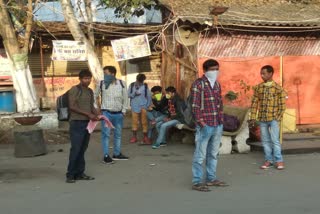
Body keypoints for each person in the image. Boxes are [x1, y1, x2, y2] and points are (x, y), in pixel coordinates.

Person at [191, 59, 228, 192]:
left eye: (217, 69)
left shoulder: (217, 85)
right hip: (205, 125)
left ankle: (211, 179)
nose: (215, 72)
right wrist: (201, 122)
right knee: (200, 155)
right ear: (205, 70)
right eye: (212, 69)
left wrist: (221, 121)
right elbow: (195, 106)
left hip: (217, 124)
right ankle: (197, 182)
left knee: (213, 154)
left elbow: (220, 104)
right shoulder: (198, 84)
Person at [248, 65, 286, 170]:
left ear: (270, 74)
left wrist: (278, 117)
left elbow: (282, 105)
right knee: (265, 141)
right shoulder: (259, 88)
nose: (262, 75)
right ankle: (268, 160)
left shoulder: (278, 88)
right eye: (261, 73)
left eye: (264, 73)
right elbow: (254, 103)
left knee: (275, 140)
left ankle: (279, 161)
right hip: (262, 119)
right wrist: (252, 116)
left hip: (273, 119)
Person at [66, 69, 99, 183]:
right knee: (76, 149)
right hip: (76, 122)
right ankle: (70, 175)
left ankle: (80, 173)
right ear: (80, 79)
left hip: (87, 123)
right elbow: (72, 106)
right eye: (85, 78)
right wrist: (88, 114)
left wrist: (97, 114)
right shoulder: (75, 89)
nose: (88, 80)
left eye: (89, 78)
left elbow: (91, 106)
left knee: (83, 149)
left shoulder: (90, 91)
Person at [94, 66, 129, 164]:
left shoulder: (122, 83)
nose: (104, 75)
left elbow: (125, 98)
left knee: (118, 135)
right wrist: (96, 108)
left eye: (106, 73)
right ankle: (106, 156)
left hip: (119, 114)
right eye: (104, 73)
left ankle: (116, 154)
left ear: (113, 74)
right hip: (106, 114)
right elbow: (94, 95)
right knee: (106, 135)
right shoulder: (101, 83)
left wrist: (124, 111)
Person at [128, 73, 152, 144]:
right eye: (139, 81)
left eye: (141, 81)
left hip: (143, 106)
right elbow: (128, 95)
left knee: (144, 122)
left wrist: (147, 105)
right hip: (134, 106)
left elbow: (149, 96)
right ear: (136, 79)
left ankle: (145, 137)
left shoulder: (145, 86)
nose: (140, 83)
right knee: (134, 122)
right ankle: (134, 137)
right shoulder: (132, 85)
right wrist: (134, 94)